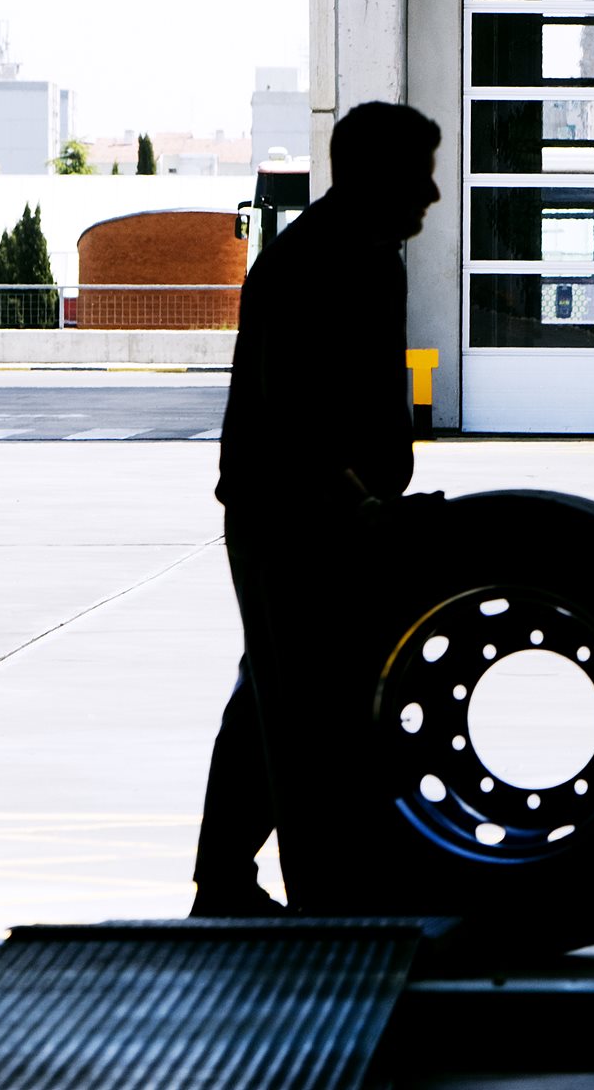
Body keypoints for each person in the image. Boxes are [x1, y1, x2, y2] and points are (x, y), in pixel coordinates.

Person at [190, 100, 443, 916]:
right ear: (372, 176)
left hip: (331, 516)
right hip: (293, 523)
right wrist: (356, 503)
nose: (432, 194)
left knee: (271, 696)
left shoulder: (373, 255)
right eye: (418, 174)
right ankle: (323, 906)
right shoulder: (311, 263)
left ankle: (226, 882)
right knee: (308, 717)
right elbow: (290, 411)